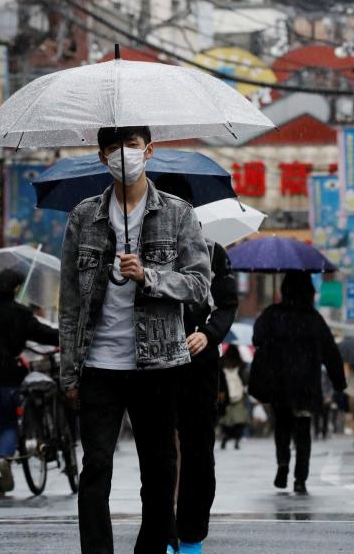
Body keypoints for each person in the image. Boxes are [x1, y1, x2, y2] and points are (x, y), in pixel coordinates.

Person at [59, 126, 211, 554]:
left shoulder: (178, 213)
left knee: (160, 471)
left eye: (130, 146)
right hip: (99, 365)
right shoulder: (83, 216)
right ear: (101, 155)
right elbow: (70, 301)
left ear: (148, 150)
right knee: (96, 468)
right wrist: (69, 373)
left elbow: (200, 286)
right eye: (112, 148)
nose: (123, 156)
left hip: (159, 364)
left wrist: (150, 276)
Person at [154, 173, 238, 554]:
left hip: (198, 360)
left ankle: (191, 532)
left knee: (198, 448)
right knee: (158, 448)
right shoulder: (139, 247)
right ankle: (160, 527)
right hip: (153, 359)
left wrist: (209, 333)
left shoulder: (213, 249)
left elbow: (227, 304)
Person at [252, 271, 346, 495]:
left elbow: (257, 339)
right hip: (306, 385)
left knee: (282, 426)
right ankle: (300, 479)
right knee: (303, 431)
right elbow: (331, 353)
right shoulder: (314, 319)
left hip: (280, 383)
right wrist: (339, 383)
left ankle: (282, 464)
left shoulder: (272, 315)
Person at [0, 269, 58, 495]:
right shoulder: (19, 313)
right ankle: (4, 459)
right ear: (14, 288)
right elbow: (42, 334)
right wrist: (65, 336)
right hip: (8, 377)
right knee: (9, 424)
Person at [218, 346, 250, 450]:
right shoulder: (241, 365)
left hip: (225, 397)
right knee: (239, 421)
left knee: (226, 421)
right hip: (239, 397)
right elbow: (245, 381)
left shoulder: (221, 364)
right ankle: (237, 438)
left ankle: (226, 436)